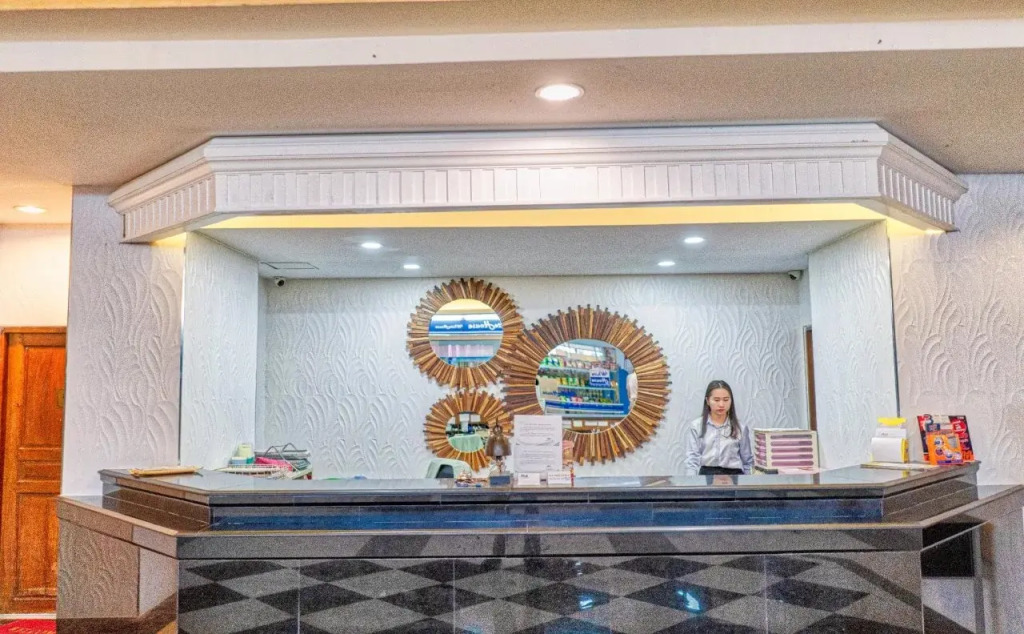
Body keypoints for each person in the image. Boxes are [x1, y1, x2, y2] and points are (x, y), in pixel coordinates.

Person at [683, 380, 753, 476]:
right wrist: (692, 482)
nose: (721, 404)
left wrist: (749, 483)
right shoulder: (696, 426)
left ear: (731, 401)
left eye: (726, 400)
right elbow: (692, 460)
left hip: (734, 477)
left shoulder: (740, 428)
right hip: (706, 476)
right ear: (707, 401)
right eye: (716, 400)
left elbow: (748, 462)